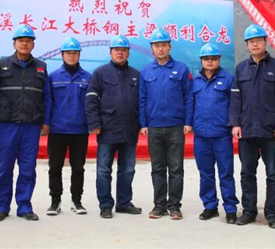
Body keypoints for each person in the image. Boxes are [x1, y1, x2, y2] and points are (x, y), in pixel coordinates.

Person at [0, 24, 51, 222]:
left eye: (28, 41)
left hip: (31, 125)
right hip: (8, 125)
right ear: (14, 43)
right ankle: (1, 206)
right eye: (21, 40)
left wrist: (46, 121)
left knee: (28, 168)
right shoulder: (2, 65)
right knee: (5, 167)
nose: (24, 44)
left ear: (33, 45)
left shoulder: (41, 67)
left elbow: (47, 97)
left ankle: (24, 206)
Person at [229, 24, 275, 228]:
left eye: (258, 41)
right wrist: (235, 123)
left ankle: (272, 214)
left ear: (265, 42)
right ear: (247, 45)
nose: (254, 44)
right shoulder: (241, 68)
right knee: (247, 173)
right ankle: (249, 211)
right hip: (246, 129)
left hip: (270, 130)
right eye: (251, 42)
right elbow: (235, 99)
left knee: (273, 173)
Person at [85, 35, 142, 219]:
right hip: (107, 129)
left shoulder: (135, 74)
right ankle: (105, 205)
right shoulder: (100, 73)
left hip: (130, 130)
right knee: (103, 169)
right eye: (117, 50)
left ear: (128, 53)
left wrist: (142, 124)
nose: (120, 53)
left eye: (123, 50)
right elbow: (91, 99)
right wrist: (94, 123)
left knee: (128, 169)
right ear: (110, 52)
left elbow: (142, 102)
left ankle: (124, 203)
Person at [139, 29, 193, 220]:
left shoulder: (181, 69)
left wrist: (188, 122)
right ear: (152, 48)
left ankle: (174, 206)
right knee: (158, 168)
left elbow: (188, 96)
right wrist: (143, 123)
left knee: (176, 168)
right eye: (157, 45)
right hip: (154, 126)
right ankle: (159, 205)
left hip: (176, 126)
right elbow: (142, 99)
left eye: (163, 45)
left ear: (169, 47)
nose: (160, 49)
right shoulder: (146, 71)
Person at [191, 43, 239, 224]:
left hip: (221, 135)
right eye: (206, 59)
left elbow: (235, 105)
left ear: (219, 60)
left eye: (213, 58)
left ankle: (230, 208)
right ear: (201, 61)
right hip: (201, 136)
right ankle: (210, 206)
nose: (209, 61)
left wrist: (234, 124)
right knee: (206, 173)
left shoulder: (228, 79)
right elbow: (190, 104)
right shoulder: (195, 81)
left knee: (226, 173)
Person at [45, 37, 91, 215]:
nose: (72, 56)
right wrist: (46, 124)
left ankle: (76, 201)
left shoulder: (87, 77)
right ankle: (55, 201)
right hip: (58, 129)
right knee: (55, 167)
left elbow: (91, 104)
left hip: (80, 130)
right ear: (62, 55)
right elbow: (48, 102)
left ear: (79, 55)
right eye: (68, 53)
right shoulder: (53, 77)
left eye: (75, 53)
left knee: (78, 168)